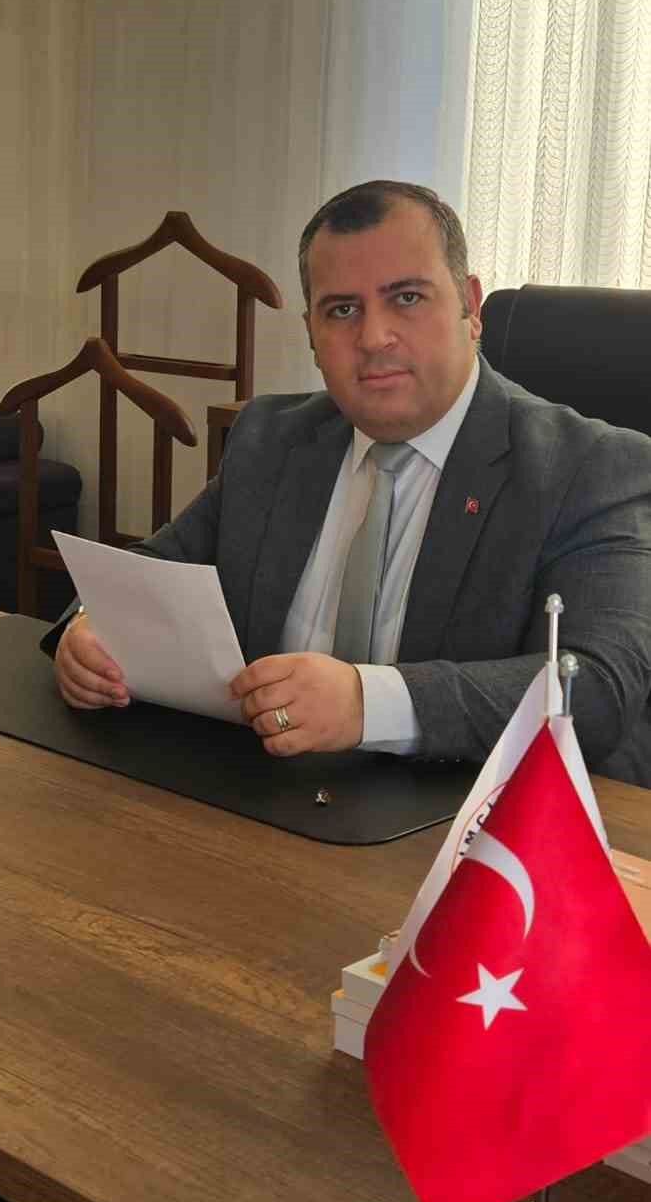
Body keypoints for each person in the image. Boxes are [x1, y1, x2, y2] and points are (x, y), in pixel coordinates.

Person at [47, 180, 651, 786]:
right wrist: (91, 626)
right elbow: (154, 569)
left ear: (471, 307)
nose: (373, 337)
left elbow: (596, 685)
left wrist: (369, 704)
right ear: (311, 333)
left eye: (407, 298)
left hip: (475, 818)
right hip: (263, 799)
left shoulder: (591, 468)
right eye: (342, 310)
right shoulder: (271, 439)